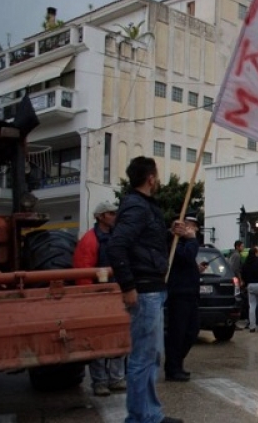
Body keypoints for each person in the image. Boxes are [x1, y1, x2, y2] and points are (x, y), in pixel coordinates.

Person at [107, 156, 182, 423]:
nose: (158, 180)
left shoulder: (143, 206)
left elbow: (146, 243)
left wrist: (169, 232)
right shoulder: (137, 207)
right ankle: (142, 417)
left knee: (150, 356)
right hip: (145, 290)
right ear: (150, 178)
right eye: (157, 175)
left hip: (151, 288)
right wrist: (128, 285)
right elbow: (117, 246)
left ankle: (149, 414)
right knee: (143, 357)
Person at [73, 200, 126, 397]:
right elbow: (83, 272)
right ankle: (100, 381)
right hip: (98, 297)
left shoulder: (116, 237)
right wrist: (90, 299)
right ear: (100, 217)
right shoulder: (89, 240)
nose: (114, 217)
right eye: (111, 213)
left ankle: (116, 378)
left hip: (116, 294)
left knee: (118, 338)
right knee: (98, 341)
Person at [164, 215, 201, 382]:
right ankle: (173, 368)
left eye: (194, 227)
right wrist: (192, 240)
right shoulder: (175, 243)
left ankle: (177, 363)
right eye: (189, 226)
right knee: (177, 333)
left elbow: (187, 261)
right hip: (179, 294)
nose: (192, 230)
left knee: (192, 331)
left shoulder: (186, 243)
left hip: (190, 293)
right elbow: (186, 255)